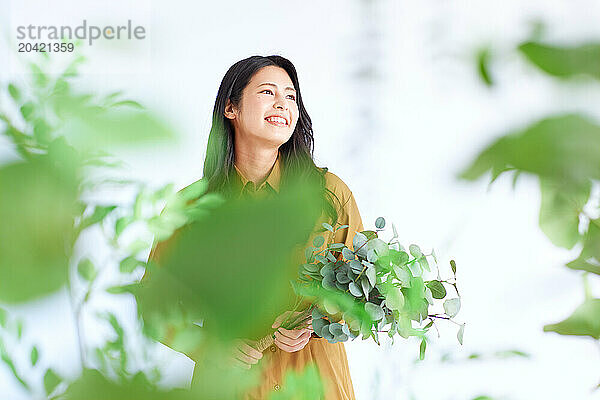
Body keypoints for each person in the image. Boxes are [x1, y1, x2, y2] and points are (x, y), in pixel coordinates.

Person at [149, 55, 364, 400]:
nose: (282, 103)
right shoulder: (191, 208)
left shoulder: (330, 194)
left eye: (291, 97)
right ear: (230, 108)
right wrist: (207, 346)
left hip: (315, 383)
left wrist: (318, 323)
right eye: (268, 92)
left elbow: (364, 295)